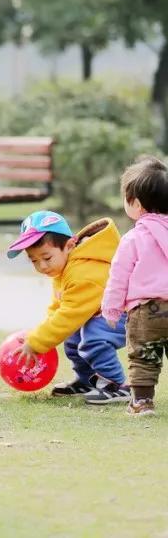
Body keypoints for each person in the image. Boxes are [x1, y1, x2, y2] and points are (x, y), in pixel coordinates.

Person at [7, 210, 129, 404]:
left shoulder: (83, 273)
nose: (42, 267)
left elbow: (69, 315)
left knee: (94, 340)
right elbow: (57, 308)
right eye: (34, 260)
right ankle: (87, 380)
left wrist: (39, 341)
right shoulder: (63, 268)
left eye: (47, 258)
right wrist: (41, 332)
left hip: (126, 313)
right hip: (98, 313)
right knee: (72, 341)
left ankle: (117, 384)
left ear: (70, 245)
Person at [101, 156, 168, 416]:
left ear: (136, 204)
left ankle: (141, 403)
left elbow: (119, 277)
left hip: (145, 311)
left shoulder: (133, 238)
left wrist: (111, 309)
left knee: (143, 357)